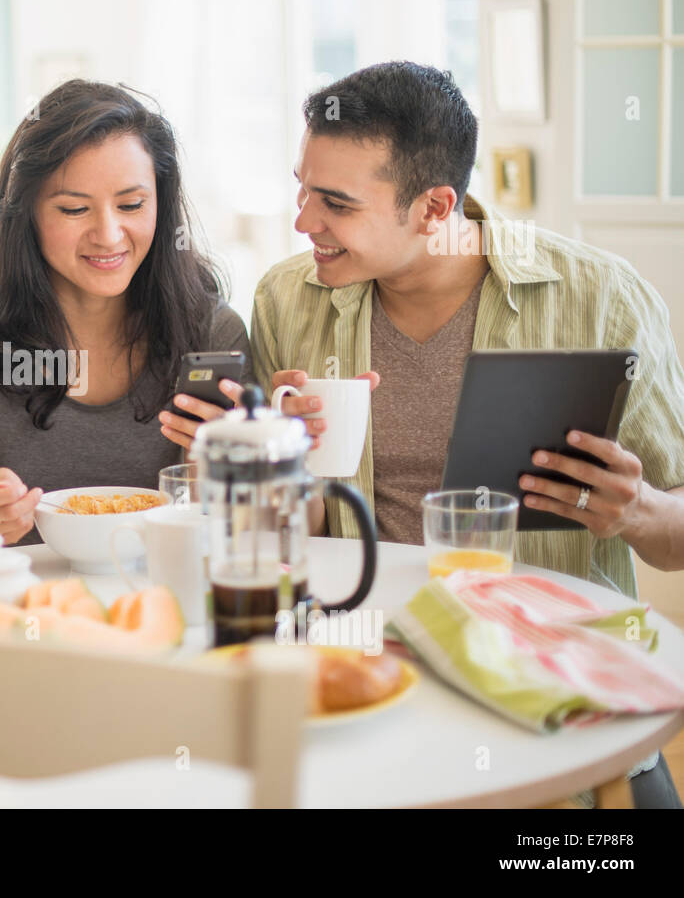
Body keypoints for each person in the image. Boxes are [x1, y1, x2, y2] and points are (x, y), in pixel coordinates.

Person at [248, 61, 684, 807]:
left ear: (433, 207)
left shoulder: (602, 298)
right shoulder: (288, 299)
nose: (302, 220)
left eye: (336, 203)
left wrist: (637, 509)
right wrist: (275, 460)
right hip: (363, 674)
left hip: (546, 689)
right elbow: (289, 535)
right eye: (302, 187)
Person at [0, 80, 250, 563]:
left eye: (131, 205)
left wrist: (229, 465)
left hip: (158, 603)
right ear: (26, 215)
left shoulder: (209, 333)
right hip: (10, 613)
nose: (108, 235)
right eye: (74, 209)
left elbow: (216, 537)